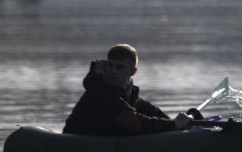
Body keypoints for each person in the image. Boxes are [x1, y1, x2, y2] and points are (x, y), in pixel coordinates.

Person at [63, 44, 192, 135]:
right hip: (76, 146)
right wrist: (173, 125)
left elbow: (151, 113)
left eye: (120, 67)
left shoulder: (129, 95)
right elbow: (134, 123)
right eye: (110, 65)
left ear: (133, 71)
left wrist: (178, 123)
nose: (112, 71)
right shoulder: (101, 91)